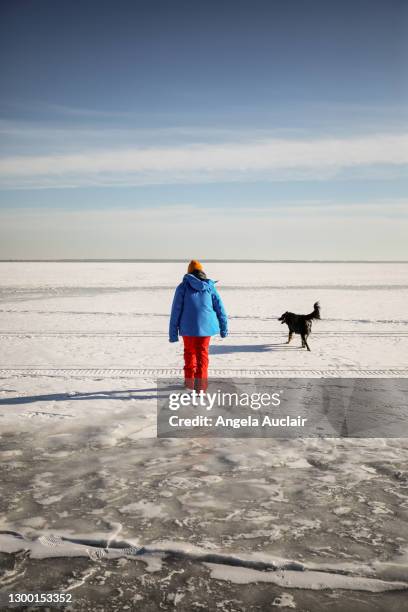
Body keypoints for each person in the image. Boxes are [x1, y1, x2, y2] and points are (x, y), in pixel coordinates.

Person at [169, 260, 228, 390]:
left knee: (189, 354)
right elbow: (220, 308)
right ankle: (201, 386)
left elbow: (176, 310)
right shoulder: (209, 286)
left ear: (189, 272)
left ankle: (189, 384)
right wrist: (224, 328)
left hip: (187, 328)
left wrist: (173, 334)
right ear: (202, 272)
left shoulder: (183, 287)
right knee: (202, 355)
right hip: (206, 328)